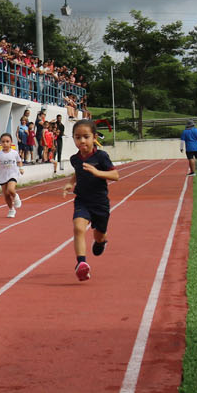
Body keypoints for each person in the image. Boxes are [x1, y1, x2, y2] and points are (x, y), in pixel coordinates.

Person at [63, 119, 120, 282]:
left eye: (86, 137)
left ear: (94, 137)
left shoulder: (101, 156)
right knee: (78, 228)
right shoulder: (75, 159)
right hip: (82, 200)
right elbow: (78, 172)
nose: (82, 141)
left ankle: (102, 241)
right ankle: (81, 264)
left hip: (100, 203)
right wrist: (70, 183)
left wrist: (97, 172)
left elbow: (115, 175)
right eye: (77, 137)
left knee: (99, 236)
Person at [0, 132, 23, 217]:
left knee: (10, 189)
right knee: (6, 195)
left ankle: (16, 196)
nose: (5, 143)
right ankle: (11, 209)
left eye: (7, 141)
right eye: (3, 142)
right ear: (0, 143)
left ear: (11, 142)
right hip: (3, 176)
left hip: (13, 174)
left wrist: (21, 168)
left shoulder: (14, 153)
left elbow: (19, 161)